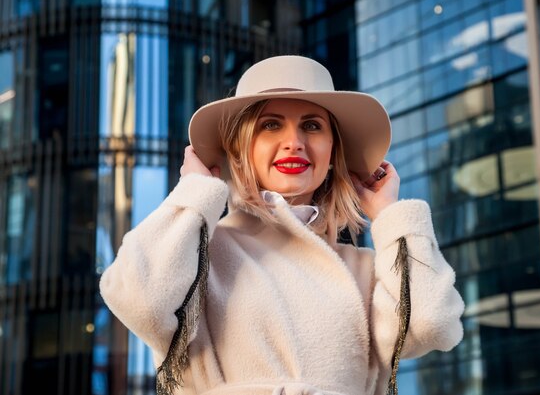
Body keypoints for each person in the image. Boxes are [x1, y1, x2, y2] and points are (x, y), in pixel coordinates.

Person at [100, 55, 464, 395]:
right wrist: (197, 193)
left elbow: (432, 324)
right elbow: (138, 300)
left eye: (312, 125)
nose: (294, 142)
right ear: (240, 148)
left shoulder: (366, 269)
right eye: (270, 125)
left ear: (333, 153)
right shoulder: (195, 254)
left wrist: (389, 214)